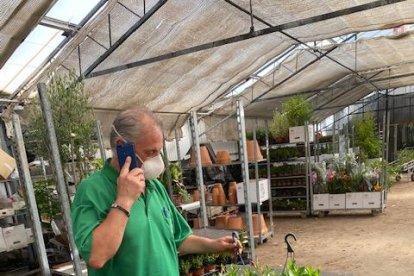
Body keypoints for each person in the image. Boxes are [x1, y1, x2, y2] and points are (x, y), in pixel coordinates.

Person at [71, 107, 241, 275]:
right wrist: (124, 201)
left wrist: (214, 245)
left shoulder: (154, 186)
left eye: (158, 152)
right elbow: (97, 256)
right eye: (150, 152)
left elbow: (178, 238)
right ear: (122, 147)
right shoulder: (92, 190)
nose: (157, 160)